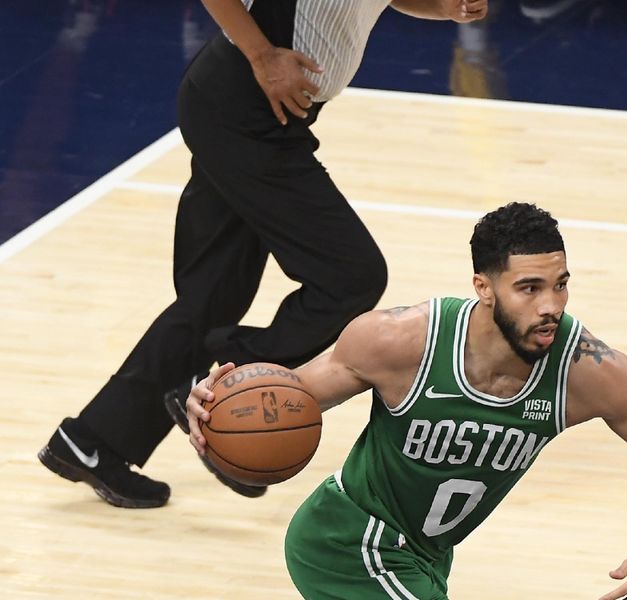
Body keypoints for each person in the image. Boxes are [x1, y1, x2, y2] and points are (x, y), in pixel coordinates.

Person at [37, 0, 490, 509]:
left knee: (211, 299)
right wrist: (262, 55)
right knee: (350, 275)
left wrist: (441, 8)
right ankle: (220, 385)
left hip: (248, 114)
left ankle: (94, 440)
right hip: (244, 108)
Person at [186, 202, 627, 599]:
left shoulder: (588, 373)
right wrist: (212, 410)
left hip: (425, 560)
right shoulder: (399, 341)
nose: (552, 305)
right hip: (351, 541)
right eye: (530, 288)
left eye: (561, 284)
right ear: (484, 287)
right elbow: (285, 400)